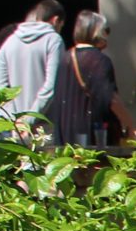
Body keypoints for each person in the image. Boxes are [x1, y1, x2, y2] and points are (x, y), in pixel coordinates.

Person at [0, 0, 67, 132]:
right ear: (55, 20)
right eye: (61, 25)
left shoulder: (9, 42)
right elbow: (51, 86)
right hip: (44, 126)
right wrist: (28, 120)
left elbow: (2, 88)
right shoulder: (54, 40)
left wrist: (15, 120)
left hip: (16, 128)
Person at [49, 11, 123, 149]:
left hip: (66, 134)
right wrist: (129, 124)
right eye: (106, 30)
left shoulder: (65, 58)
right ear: (98, 33)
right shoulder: (100, 61)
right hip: (93, 135)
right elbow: (110, 99)